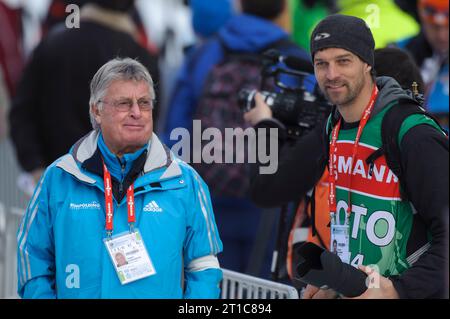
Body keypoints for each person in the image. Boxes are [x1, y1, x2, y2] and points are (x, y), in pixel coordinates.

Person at [245, 14, 449, 298]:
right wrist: (335, 284)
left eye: (343, 61)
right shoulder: (335, 124)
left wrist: (265, 128)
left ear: (368, 63)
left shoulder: (411, 133)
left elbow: (264, 187)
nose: (331, 75)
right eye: (321, 64)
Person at [16, 58, 222, 299]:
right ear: (97, 110)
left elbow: (204, 267)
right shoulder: (60, 177)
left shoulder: (184, 181)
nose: (136, 113)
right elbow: (32, 260)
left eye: (144, 103)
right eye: (124, 103)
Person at [163, 0, 311, 278]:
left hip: (207, 201)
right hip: (270, 209)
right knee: (263, 289)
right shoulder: (296, 63)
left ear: (239, 5)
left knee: (209, 283)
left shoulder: (204, 54)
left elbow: (174, 130)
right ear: (284, 9)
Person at [9, 0, 160, 187]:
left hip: (57, 185)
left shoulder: (51, 44)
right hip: (117, 193)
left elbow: (21, 113)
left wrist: (35, 168)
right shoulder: (141, 56)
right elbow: (147, 127)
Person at [395, 0, 449, 127]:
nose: (442, 36)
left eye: (448, 27)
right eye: (435, 27)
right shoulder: (401, 52)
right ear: (422, 18)